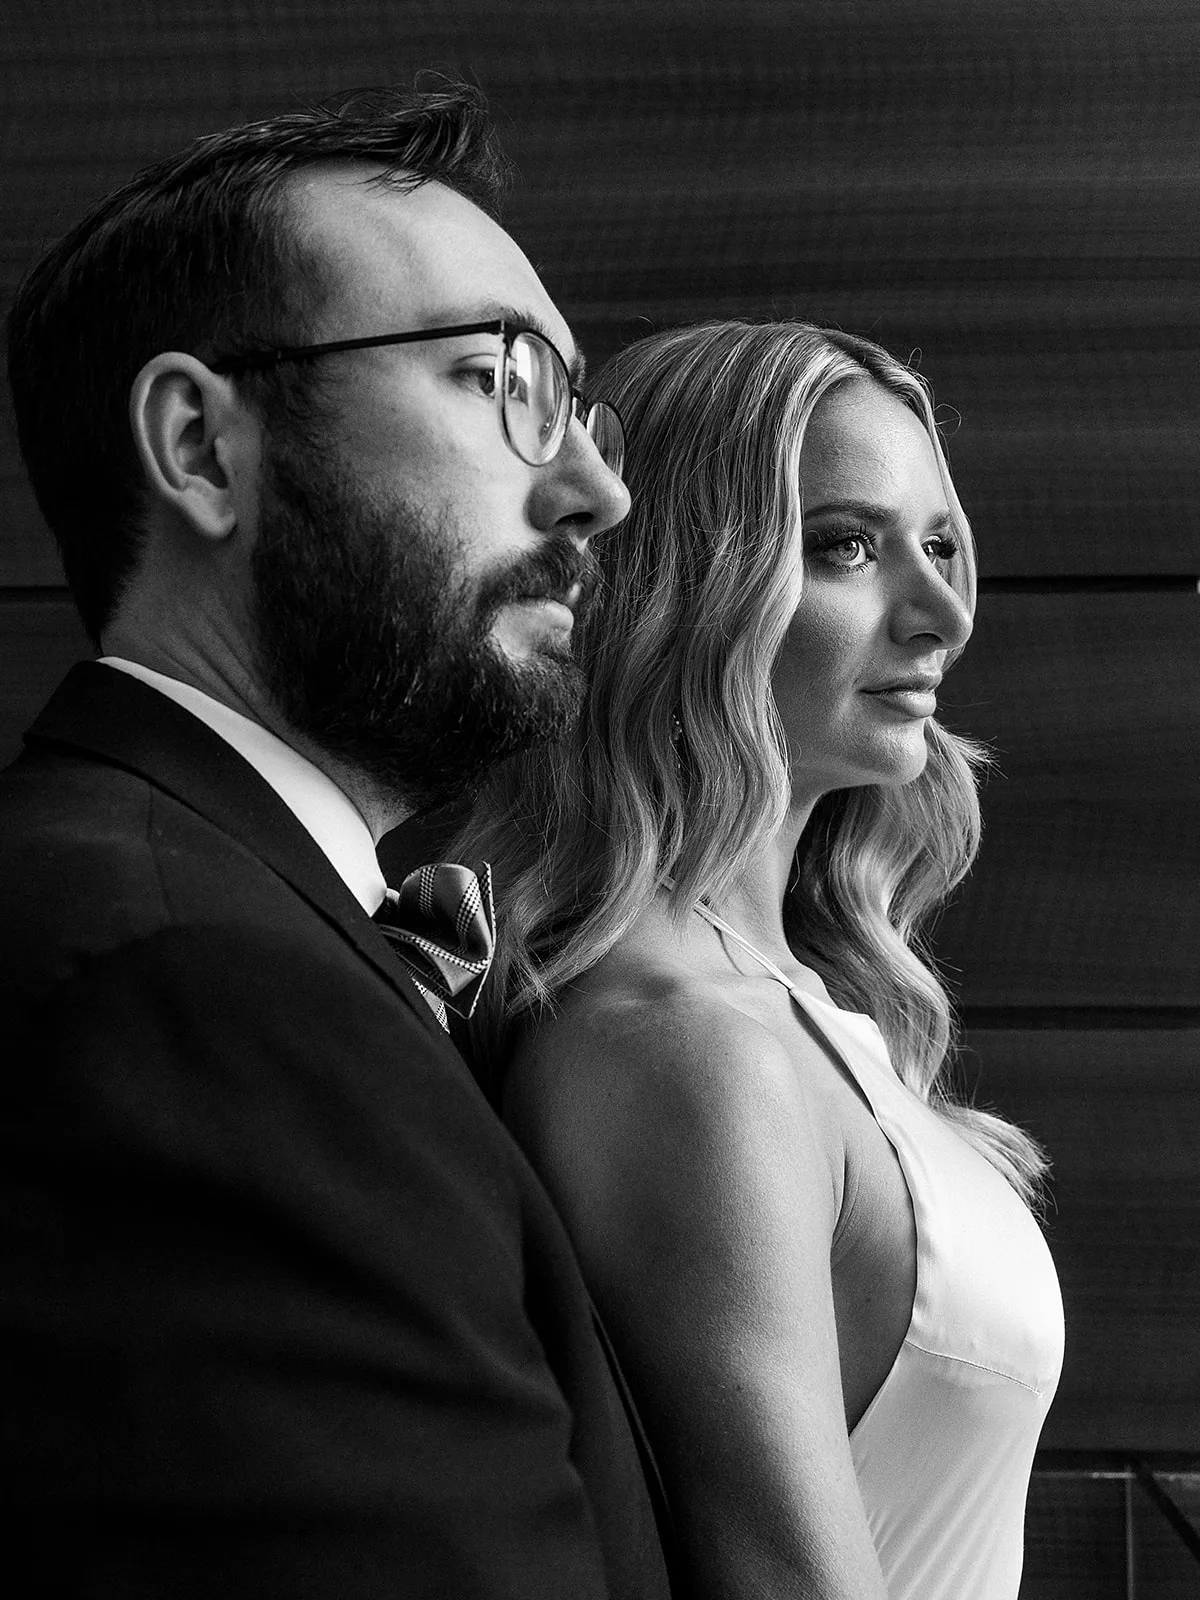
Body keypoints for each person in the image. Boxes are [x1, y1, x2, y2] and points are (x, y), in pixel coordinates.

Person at [0, 86, 675, 1598]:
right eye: (497, 377)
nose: (597, 489)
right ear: (202, 444)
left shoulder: (217, 920)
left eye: (579, 405)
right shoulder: (193, 987)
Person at [456, 320, 1066, 1600]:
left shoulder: (792, 1001)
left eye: (942, 545)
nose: (943, 610)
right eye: (848, 544)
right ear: (692, 580)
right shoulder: (683, 1039)